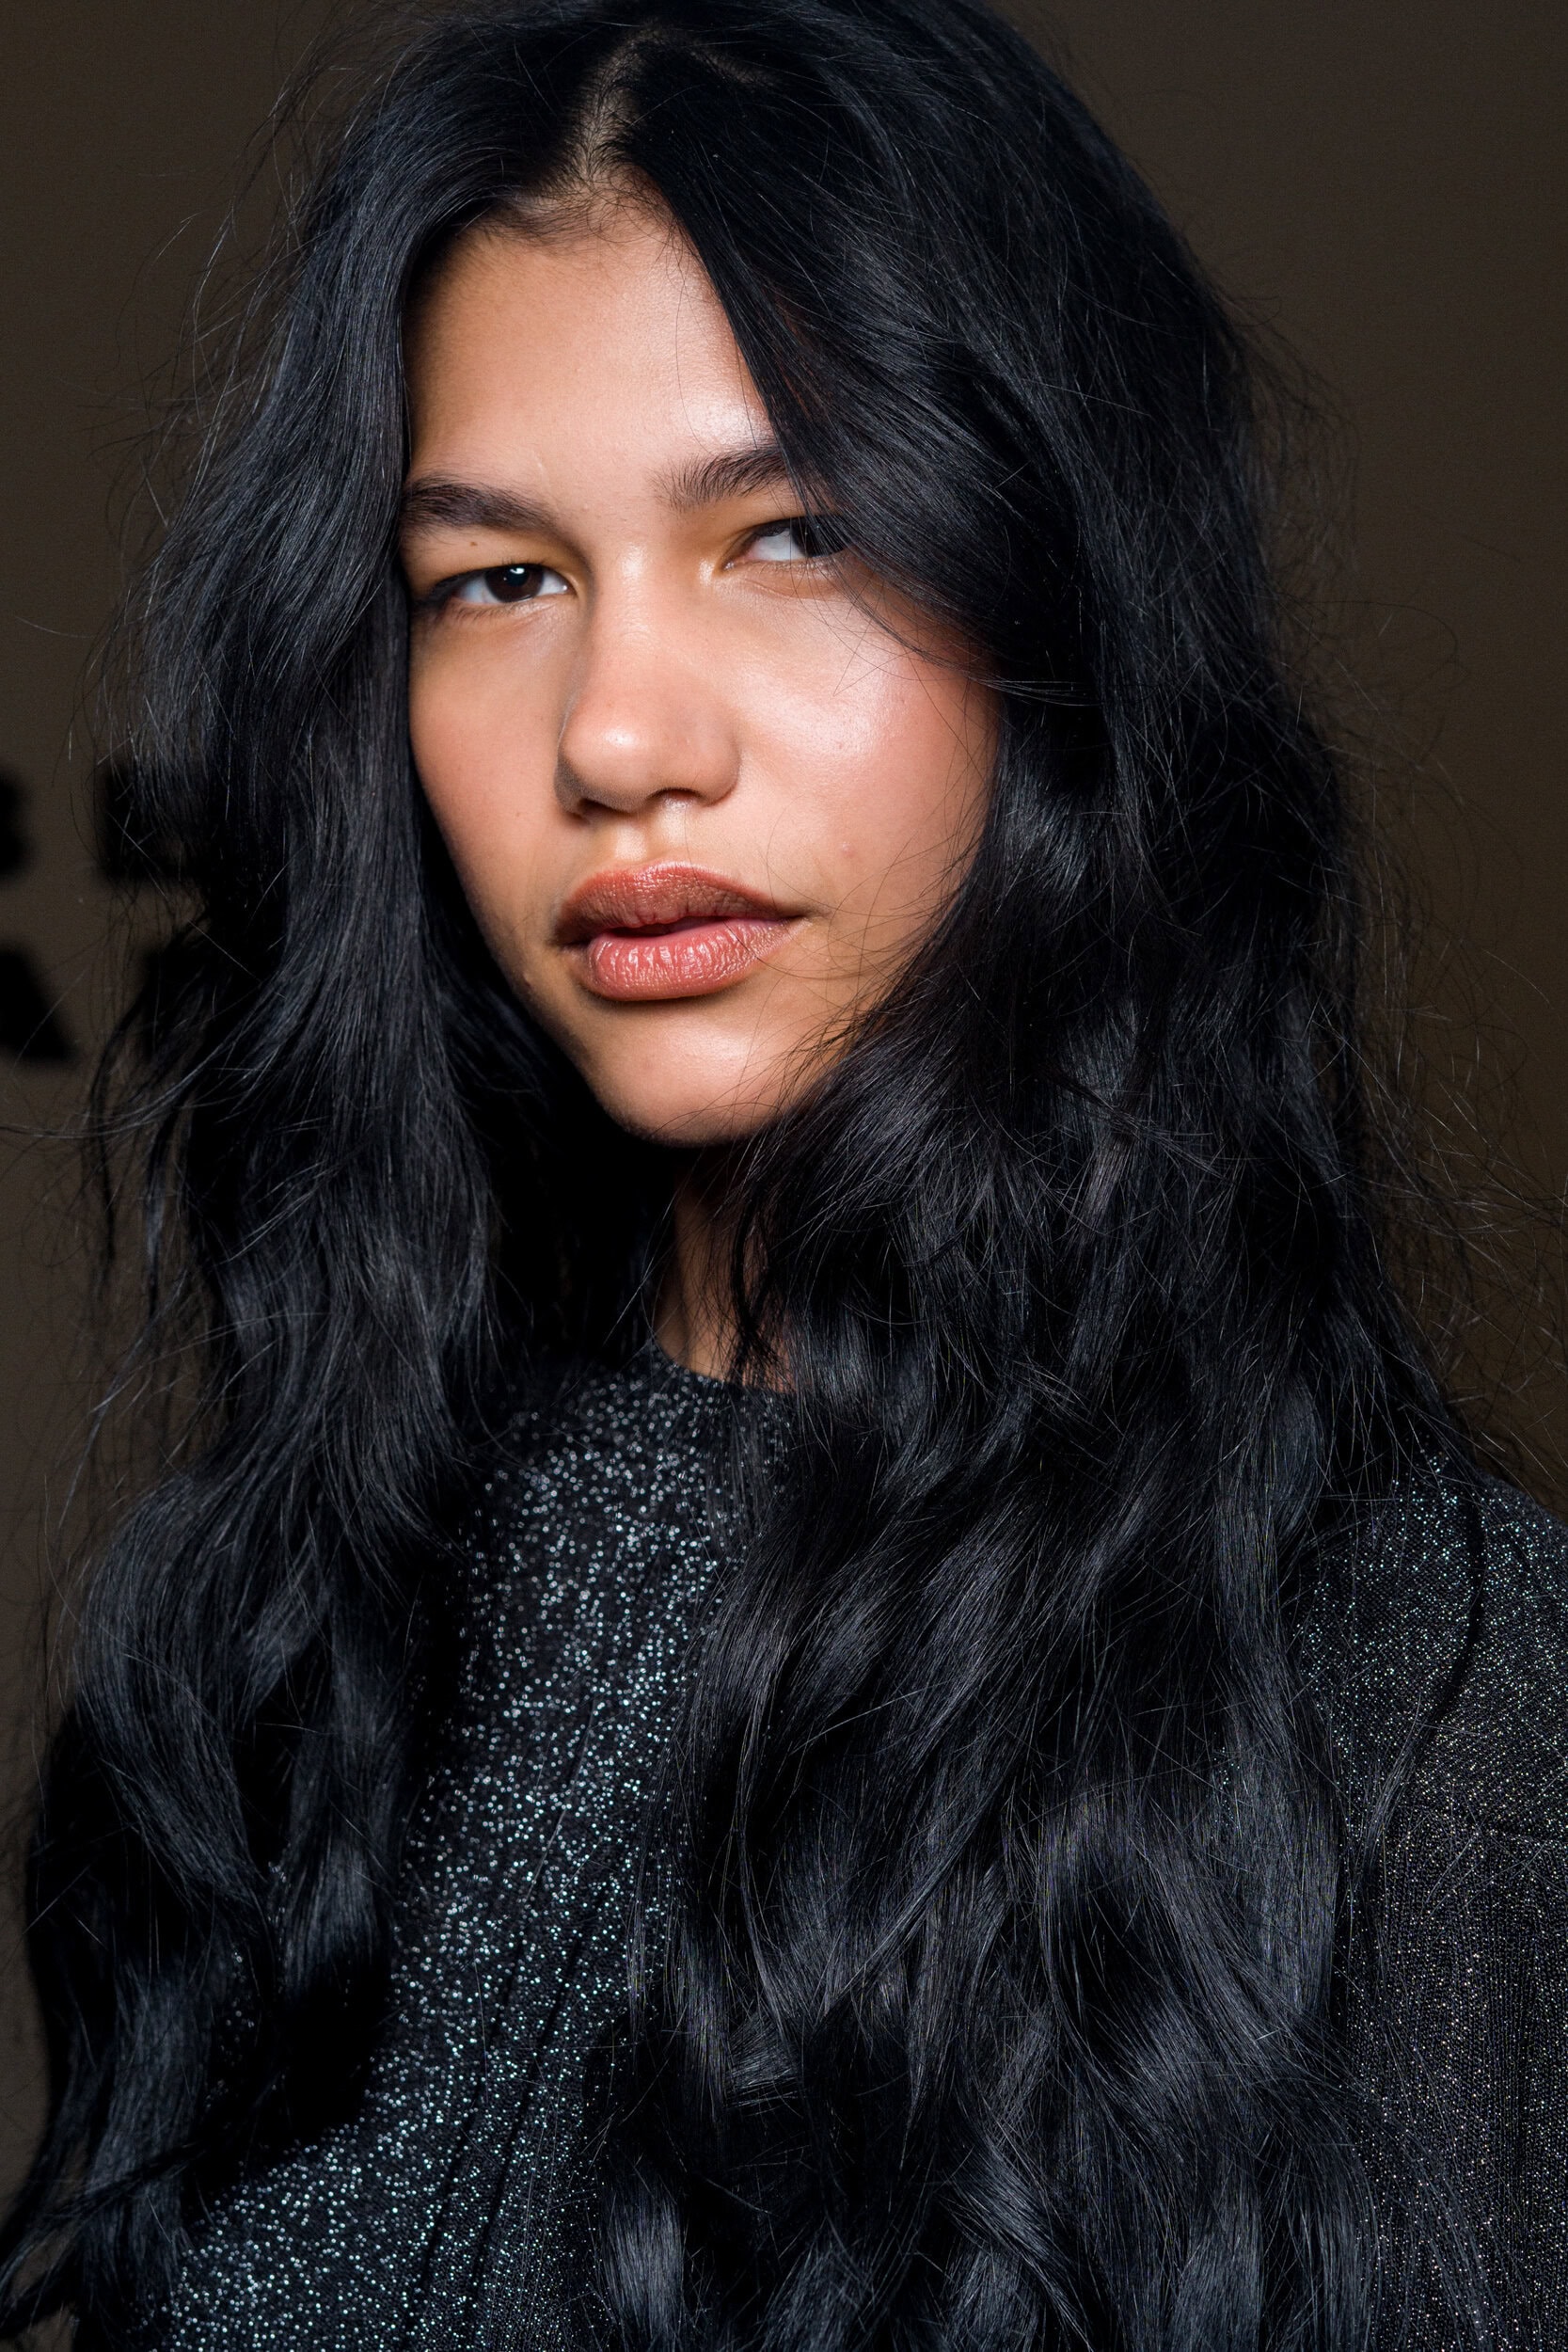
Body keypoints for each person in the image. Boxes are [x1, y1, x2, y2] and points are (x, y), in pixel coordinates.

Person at [4, 0, 1566, 2344]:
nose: (620, 736)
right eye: (495, 580)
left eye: (795, 534)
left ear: (1057, 598)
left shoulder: (1433, 1712)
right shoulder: (294, 1639)